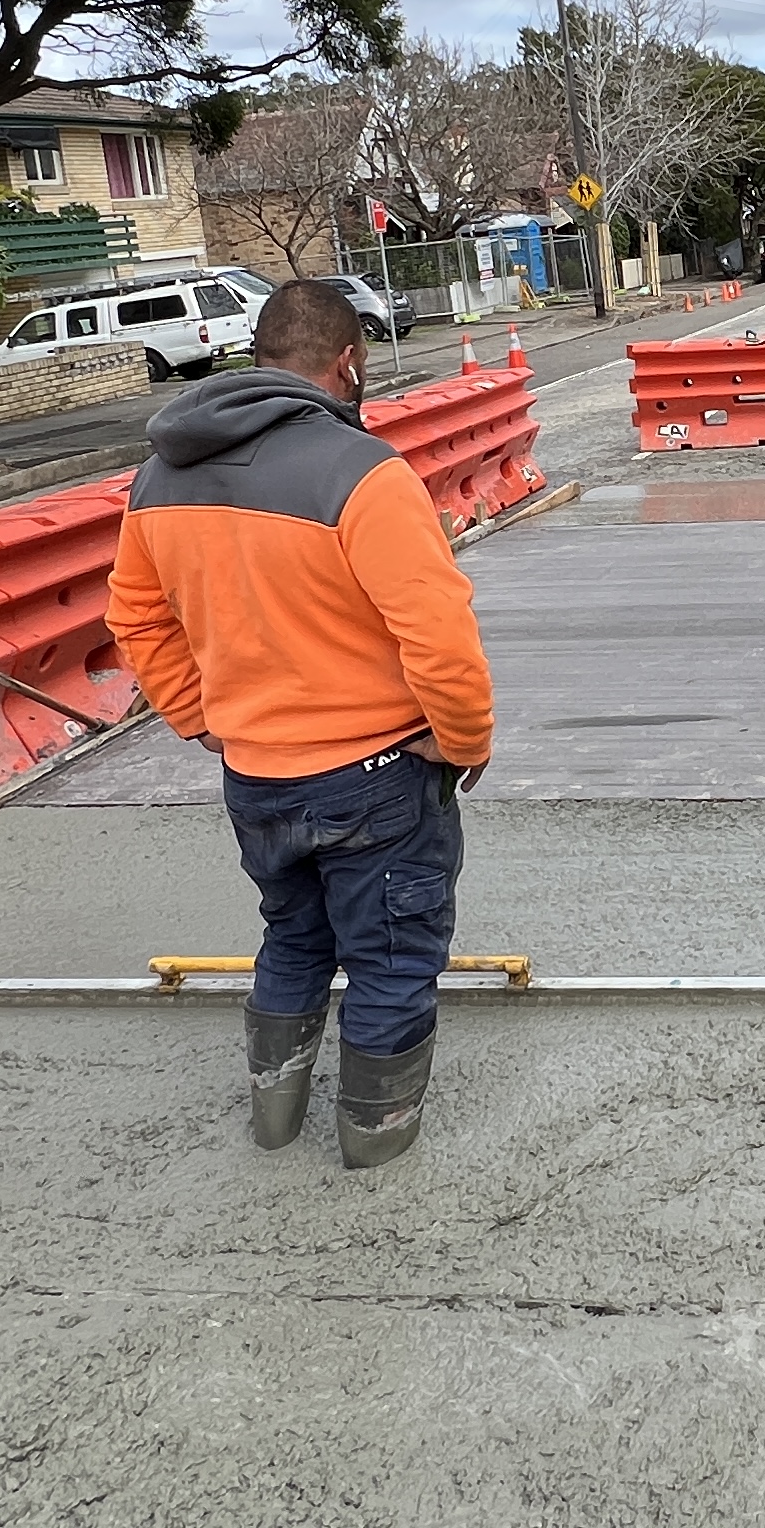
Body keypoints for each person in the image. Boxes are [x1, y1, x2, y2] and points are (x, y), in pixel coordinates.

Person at [107, 275, 494, 1168]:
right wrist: (463, 737)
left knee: (293, 936)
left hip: (254, 773)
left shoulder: (158, 477)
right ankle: (373, 1146)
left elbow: (135, 619)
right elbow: (436, 630)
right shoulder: (363, 474)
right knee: (393, 957)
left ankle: (274, 1127)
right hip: (377, 775)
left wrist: (199, 717)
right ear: (349, 363)